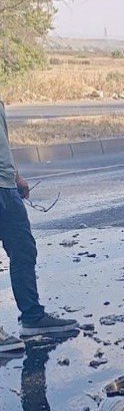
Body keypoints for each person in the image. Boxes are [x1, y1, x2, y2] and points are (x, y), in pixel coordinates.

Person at [0, 98, 78, 353]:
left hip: (6, 187)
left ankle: (33, 318)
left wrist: (15, 176)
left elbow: (3, 142)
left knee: (24, 249)